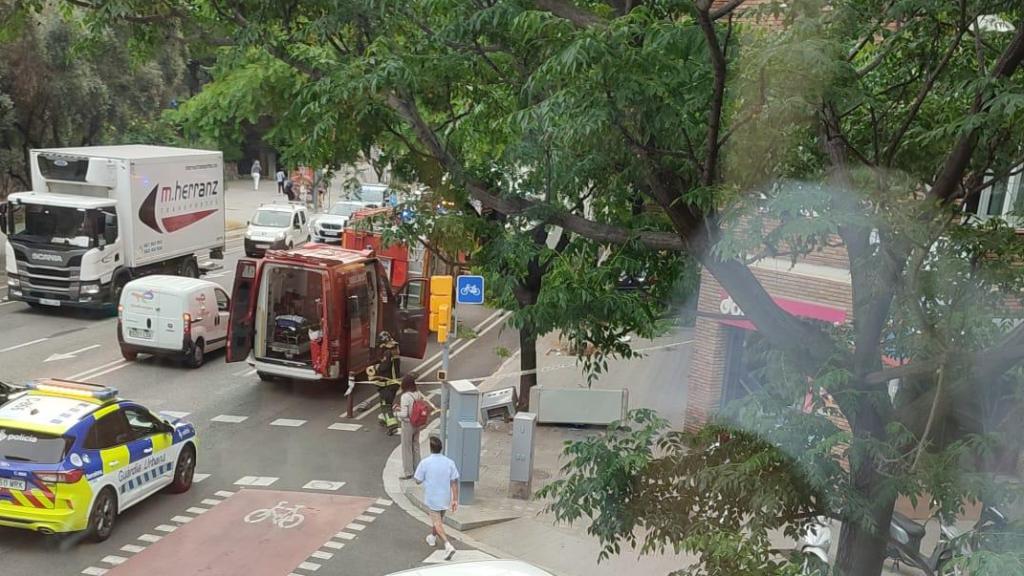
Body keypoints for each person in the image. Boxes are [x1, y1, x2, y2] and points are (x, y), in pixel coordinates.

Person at [414, 436, 459, 560]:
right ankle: (432, 538)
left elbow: (417, 480)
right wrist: (455, 499)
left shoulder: (425, 463)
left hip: (432, 497)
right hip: (445, 497)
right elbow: (454, 481)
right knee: (438, 521)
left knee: (437, 522)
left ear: (430, 448)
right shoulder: (449, 462)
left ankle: (447, 544)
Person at [397, 373, 433, 479]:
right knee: (416, 446)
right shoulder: (417, 394)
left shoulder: (405, 396)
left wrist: (396, 413)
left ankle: (408, 472)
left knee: (406, 447)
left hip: (408, 424)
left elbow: (404, 414)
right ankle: (418, 469)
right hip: (417, 423)